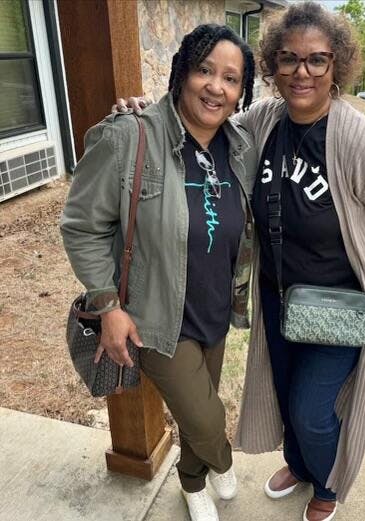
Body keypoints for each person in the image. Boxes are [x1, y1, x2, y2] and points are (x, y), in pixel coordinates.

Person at [119, 4, 365, 520]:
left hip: (337, 305)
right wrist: (144, 112)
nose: (302, 72)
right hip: (277, 300)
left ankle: (326, 485)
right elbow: (203, 117)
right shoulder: (262, 123)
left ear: (337, 64)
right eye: (288, 59)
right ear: (273, 66)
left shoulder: (361, 140)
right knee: (286, 398)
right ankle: (300, 466)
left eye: (316, 60)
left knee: (312, 411)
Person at [60, 24, 257, 521]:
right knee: (207, 420)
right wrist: (108, 304)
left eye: (231, 78)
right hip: (156, 320)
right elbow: (81, 226)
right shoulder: (130, 137)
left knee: (196, 412)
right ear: (182, 72)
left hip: (216, 309)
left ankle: (191, 484)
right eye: (204, 70)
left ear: (242, 92)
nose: (216, 87)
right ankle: (219, 458)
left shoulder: (239, 146)